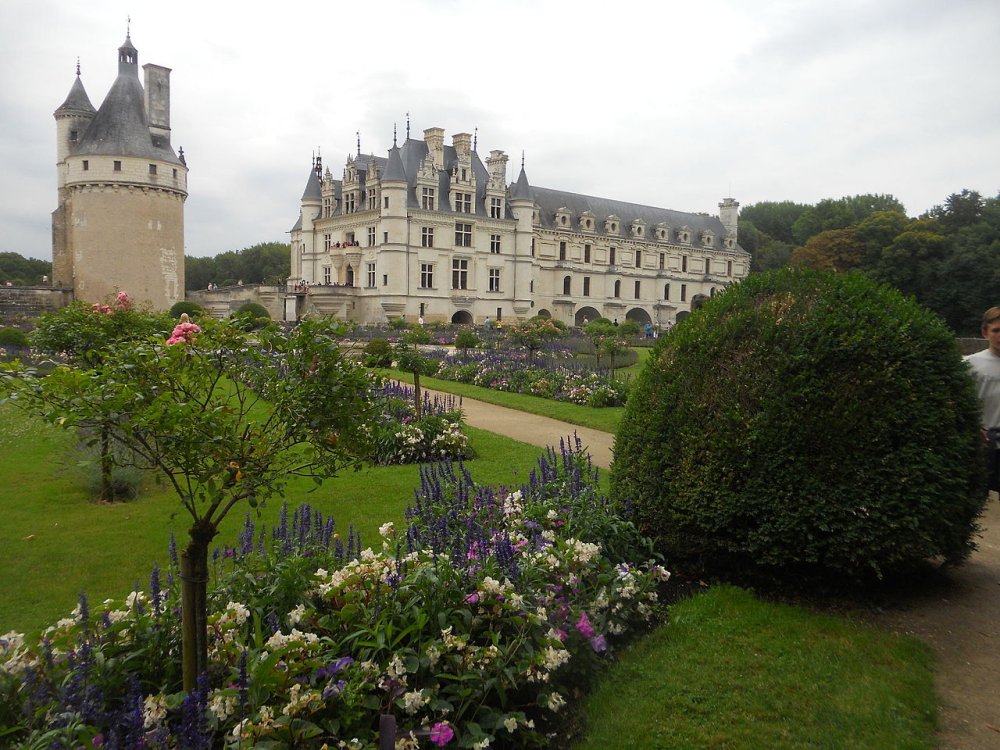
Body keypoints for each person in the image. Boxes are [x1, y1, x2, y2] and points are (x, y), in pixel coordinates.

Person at [965, 306, 1000, 493]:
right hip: (983, 444)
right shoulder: (971, 365)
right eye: (996, 330)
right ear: (985, 333)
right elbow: (956, 402)